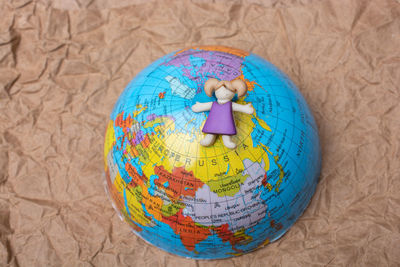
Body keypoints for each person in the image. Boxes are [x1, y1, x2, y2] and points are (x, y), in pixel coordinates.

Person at [191, 78, 254, 149]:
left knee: (226, 132)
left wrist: (246, 108)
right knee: (211, 131)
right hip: (213, 122)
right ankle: (208, 140)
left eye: (228, 91)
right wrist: (199, 106)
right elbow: (205, 106)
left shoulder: (231, 105)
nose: (223, 92)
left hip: (226, 122)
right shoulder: (213, 104)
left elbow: (240, 108)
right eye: (219, 90)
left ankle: (227, 142)